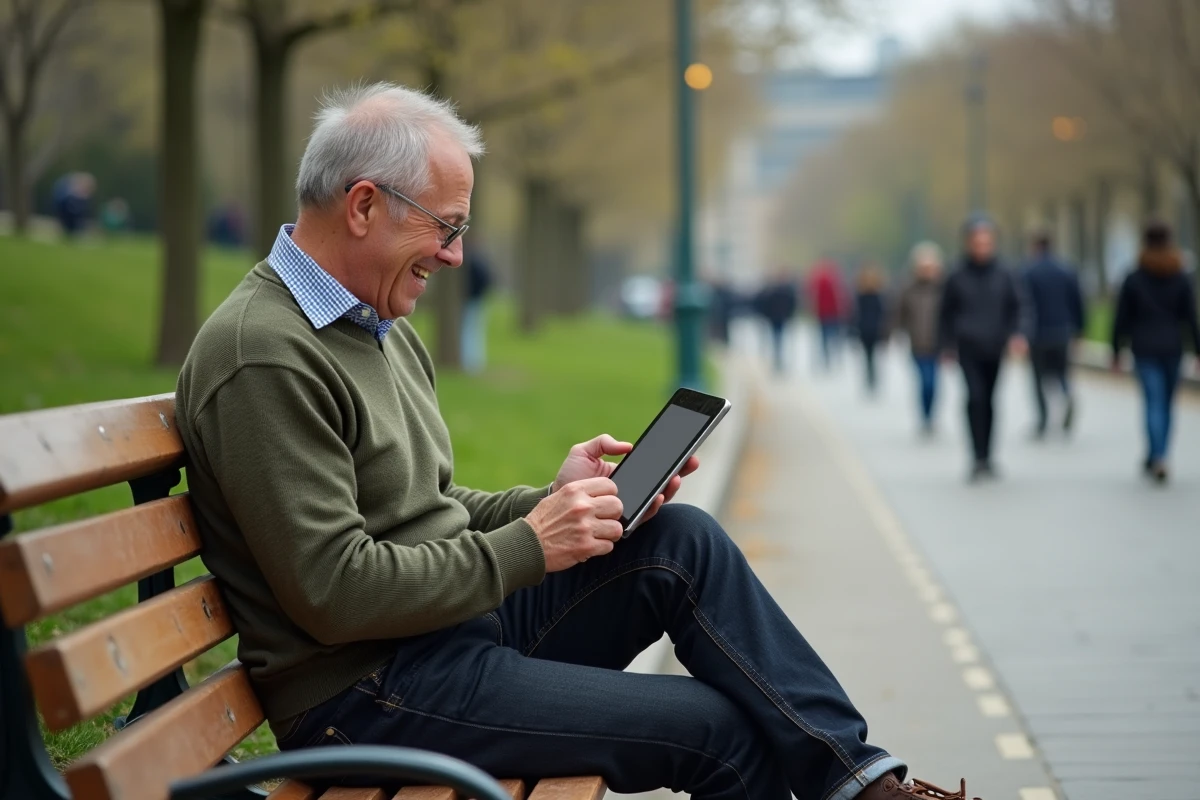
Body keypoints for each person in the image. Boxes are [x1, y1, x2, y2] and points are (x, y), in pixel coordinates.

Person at [175, 82, 979, 800]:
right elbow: (337, 591)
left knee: (677, 539)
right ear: (361, 206)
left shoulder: (373, 323)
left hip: (446, 636)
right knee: (714, 730)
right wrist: (533, 544)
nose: (456, 255)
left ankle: (864, 783)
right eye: (445, 228)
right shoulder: (264, 352)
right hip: (369, 693)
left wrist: (557, 506)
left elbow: (429, 507)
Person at [1111, 220, 1200, 483]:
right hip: (1173, 347)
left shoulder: (1134, 276)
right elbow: (1190, 317)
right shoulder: (1180, 276)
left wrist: (1116, 350)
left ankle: (1156, 454)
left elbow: (1121, 318)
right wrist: (1197, 350)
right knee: (1167, 403)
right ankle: (1160, 454)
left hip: (1145, 347)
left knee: (1153, 402)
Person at [938, 216, 1023, 482]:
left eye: (986, 242)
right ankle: (976, 456)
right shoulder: (956, 275)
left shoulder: (1005, 273)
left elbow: (1019, 306)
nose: (982, 247)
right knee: (975, 398)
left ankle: (988, 455)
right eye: (977, 242)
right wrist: (946, 344)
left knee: (990, 399)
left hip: (995, 346)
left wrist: (1018, 334)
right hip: (968, 346)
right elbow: (945, 313)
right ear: (968, 243)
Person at [1021, 231, 1085, 438]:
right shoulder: (1066, 270)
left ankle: (1042, 420)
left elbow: (1022, 304)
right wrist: (1080, 330)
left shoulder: (1028, 272)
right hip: (1062, 330)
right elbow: (1077, 301)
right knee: (1062, 372)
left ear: (1035, 246)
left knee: (1038, 378)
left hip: (1037, 332)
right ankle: (1066, 396)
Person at [896, 242, 944, 434]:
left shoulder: (944, 289)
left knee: (934, 383)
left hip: (938, 343)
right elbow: (899, 313)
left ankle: (931, 415)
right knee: (924, 381)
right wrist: (896, 333)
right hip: (917, 344)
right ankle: (924, 416)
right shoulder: (908, 289)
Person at [853, 263, 889, 395]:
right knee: (868, 356)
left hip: (875, 330)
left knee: (872, 356)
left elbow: (884, 313)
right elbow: (855, 314)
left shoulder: (879, 295)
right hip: (865, 329)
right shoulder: (861, 295)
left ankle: (873, 377)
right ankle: (870, 377)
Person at [753, 271, 799, 375]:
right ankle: (778, 360)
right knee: (778, 339)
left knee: (777, 339)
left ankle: (778, 360)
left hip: (777, 318)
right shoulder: (784, 291)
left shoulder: (774, 291)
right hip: (778, 318)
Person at [807, 257, 847, 370]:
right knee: (834, 337)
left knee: (824, 337)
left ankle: (826, 358)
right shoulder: (835, 280)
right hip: (832, 313)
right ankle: (834, 357)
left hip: (823, 313)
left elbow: (811, 296)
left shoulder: (818, 280)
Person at [461, 242, 493, 373]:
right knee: (475, 331)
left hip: (471, 300)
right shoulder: (479, 261)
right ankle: (474, 362)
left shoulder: (470, 263)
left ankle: (471, 363)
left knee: (469, 331)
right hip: (477, 299)